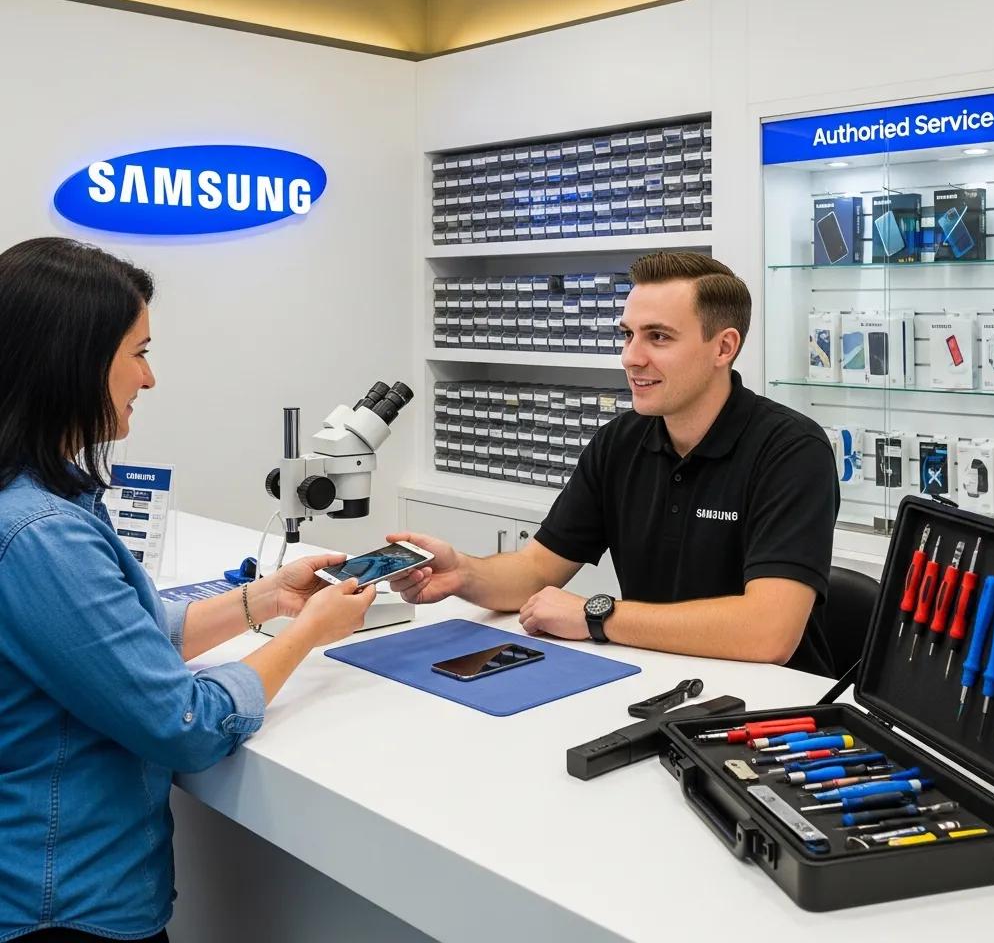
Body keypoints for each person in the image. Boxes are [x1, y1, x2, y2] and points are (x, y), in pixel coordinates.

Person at [0, 237, 375, 942]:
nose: (149, 379)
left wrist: (270, 597)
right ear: (72, 361)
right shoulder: (42, 535)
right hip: (62, 908)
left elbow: (118, 641)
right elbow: (186, 725)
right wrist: (310, 633)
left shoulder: (39, 500)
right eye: (138, 353)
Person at [389, 251, 839, 675]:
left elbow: (768, 632)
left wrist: (596, 616)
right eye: (628, 334)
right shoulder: (620, 442)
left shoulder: (791, 451)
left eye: (658, 337)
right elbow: (537, 570)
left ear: (723, 348)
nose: (630, 357)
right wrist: (462, 572)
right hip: (654, 673)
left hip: (773, 702)